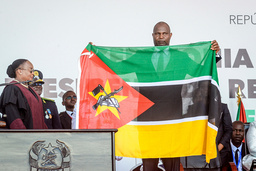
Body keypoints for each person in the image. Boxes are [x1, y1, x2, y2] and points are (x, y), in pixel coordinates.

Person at [141, 21, 221, 171]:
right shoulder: (142, 58)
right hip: (148, 122)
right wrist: (97, 55)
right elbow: (120, 66)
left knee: (172, 167)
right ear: (152, 35)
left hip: (173, 120)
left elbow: (201, 64)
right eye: (158, 33)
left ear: (170, 36)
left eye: (164, 33)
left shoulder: (180, 57)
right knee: (149, 167)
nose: (161, 37)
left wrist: (214, 54)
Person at [0, 59, 47, 129]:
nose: (33, 74)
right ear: (20, 71)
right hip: (24, 137)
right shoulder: (11, 88)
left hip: (39, 136)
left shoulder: (31, 90)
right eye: (31, 71)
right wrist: (23, 135)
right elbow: (13, 116)